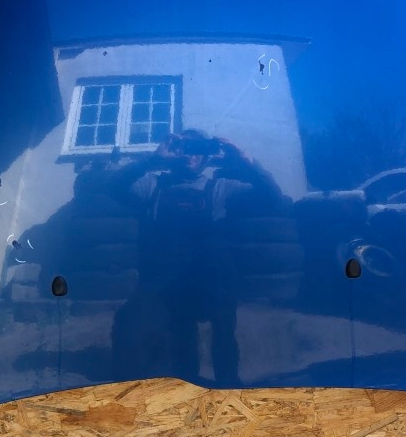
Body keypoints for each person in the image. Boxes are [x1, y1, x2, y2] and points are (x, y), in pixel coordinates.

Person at [109, 130, 282, 385]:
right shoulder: (154, 184)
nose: (190, 154)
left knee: (224, 326)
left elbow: (272, 197)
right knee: (142, 327)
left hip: (210, 280)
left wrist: (245, 161)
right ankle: (184, 378)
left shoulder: (220, 186)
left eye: (198, 148)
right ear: (174, 152)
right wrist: (153, 159)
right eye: (184, 147)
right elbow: (112, 187)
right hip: (165, 282)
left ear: (207, 155)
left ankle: (228, 383)